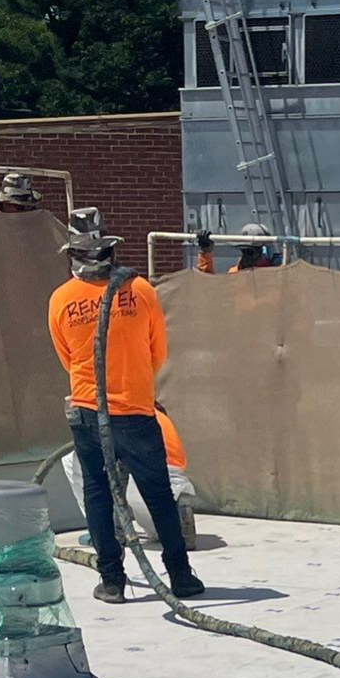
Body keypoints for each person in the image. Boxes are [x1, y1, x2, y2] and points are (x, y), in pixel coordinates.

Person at [46, 213, 202, 603]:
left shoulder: (61, 300)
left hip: (87, 410)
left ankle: (112, 580)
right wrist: (131, 381)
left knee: (98, 492)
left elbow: (67, 358)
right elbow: (157, 351)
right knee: (157, 493)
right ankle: (180, 576)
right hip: (135, 410)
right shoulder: (140, 289)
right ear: (110, 249)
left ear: (73, 254)